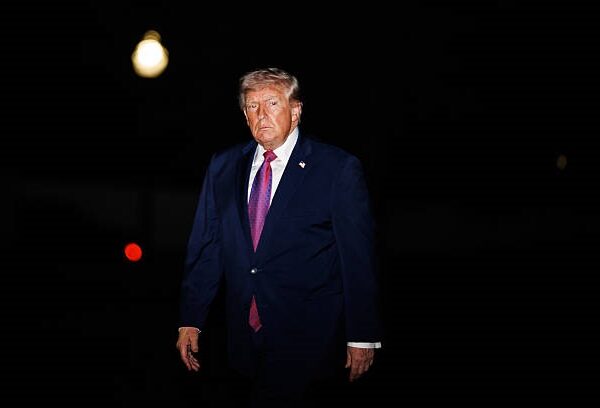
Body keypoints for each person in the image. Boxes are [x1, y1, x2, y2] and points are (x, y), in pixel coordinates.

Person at [176, 67, 382, 407]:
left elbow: (358, 258)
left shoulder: (336, 169)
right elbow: (207, 246)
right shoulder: (224, 166)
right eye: (252, 106)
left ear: (295, 111)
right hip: (241, 338)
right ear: (244, 115)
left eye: (272, 103)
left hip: (310, 336)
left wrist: (362, 335)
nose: (262, 114)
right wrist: (191, 319)